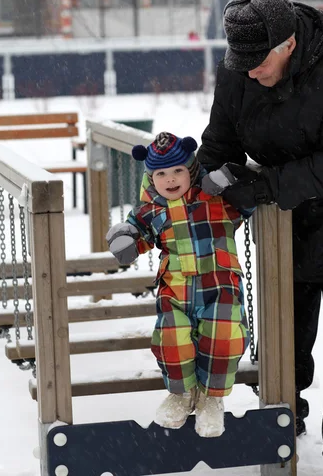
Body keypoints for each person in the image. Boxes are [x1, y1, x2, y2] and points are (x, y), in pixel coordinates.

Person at [197, 0, 323, 475]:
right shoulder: (240, 72)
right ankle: (281, 421)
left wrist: (265, 185)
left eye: (257, 61)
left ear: (288, 45)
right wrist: (198, 185)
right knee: (284, 333)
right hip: (284, 225)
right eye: (241, 59)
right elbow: (219, 142)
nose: (249, 70)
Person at [106, 131, 248, 438]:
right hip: (176, 289)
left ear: (192, 170)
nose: (170, 180)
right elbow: (138, 232)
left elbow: (249, 198)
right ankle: (180, 394)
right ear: (151, 177)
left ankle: (212, 398)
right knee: (171, 338)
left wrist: (230, 179)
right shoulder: (151, 209)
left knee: (223, 336)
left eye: (177, 171)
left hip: (219, 285)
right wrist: (126, 240)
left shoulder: (216, 199)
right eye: (161, 174)